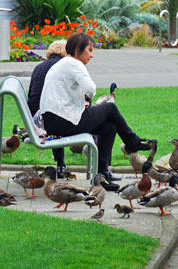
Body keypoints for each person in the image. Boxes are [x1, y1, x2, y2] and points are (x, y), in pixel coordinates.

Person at [39, 33, 151, 191]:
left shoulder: (64, 63)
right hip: (63, 121)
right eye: (89, 50)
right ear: (78, 49)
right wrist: (86, 99)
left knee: (109, 127)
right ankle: (132, 142)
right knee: (110, 108)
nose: (91, 55)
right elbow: (91, 89)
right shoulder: (73, 63)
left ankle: (102, 176)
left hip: (56, 121)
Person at [27, 40, 68, 178]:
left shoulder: (38, 67)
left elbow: (31, 95)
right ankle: (61, 164)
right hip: (49, 119)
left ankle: (61, 163)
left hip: (35, 117)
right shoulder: (62, 66)